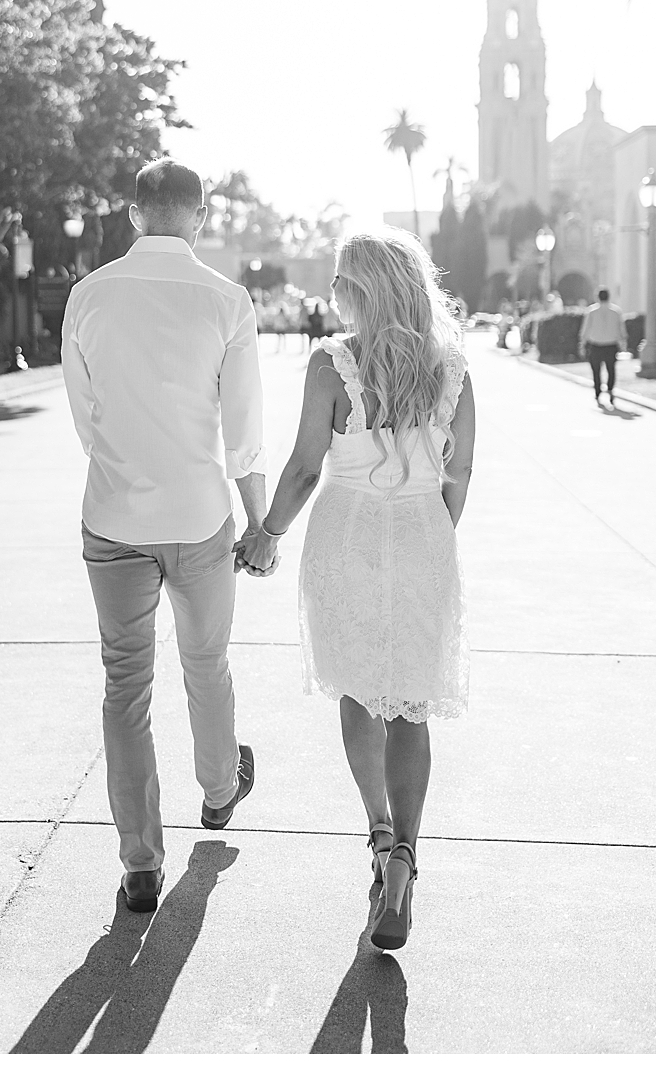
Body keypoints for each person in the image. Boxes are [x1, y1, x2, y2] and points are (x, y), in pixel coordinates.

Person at [249, 228, 474, 951]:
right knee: (410, 704)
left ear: (361, 288)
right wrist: (434, 531)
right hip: (421, 532)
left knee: (355, 690)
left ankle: (378, 835)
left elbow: (306, 467)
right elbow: (459, 475)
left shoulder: (331, 362)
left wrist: (267, 532)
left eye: (343, 281)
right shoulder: (455, 370)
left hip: (344, 533)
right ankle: (406, 853)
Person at [62, 158, 271, 916]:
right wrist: (260, 522)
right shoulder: (226, 300)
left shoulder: (88, 295)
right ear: (202, 215)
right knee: (206, 662)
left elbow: (86, 419)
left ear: (134, 212)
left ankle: (140, 862)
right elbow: (243, 434)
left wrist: (126, 466)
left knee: (126, 684)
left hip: (114, 515)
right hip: (199, 516)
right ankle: (219, 792)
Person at [577, 288, 625, 408]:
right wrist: (622, 344)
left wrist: (582, 344)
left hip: (596, 345)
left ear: (598, 297)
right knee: (611, 369)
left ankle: (598, 391)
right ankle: (610, 389)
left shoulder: (592, 311)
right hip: (611, 344)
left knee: (596, 370)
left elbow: (585, 329)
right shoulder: (616, 311)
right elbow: (621, 329)